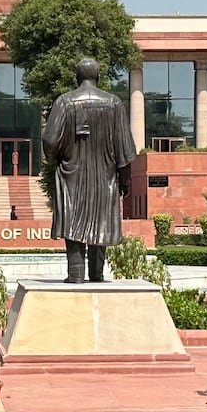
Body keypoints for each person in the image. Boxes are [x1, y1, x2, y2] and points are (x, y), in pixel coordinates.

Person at [43, 58, 136, 283]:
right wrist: (124, 181)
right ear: (98, 77)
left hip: (72, 174)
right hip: (105, 176)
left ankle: (75, 273)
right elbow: (125, 149)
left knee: (73, 219)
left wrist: (58, 158)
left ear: (77, 78)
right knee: (101, 222)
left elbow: (49, 139)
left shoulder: (64, 102)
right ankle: (97, 273)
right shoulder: (113, 104)